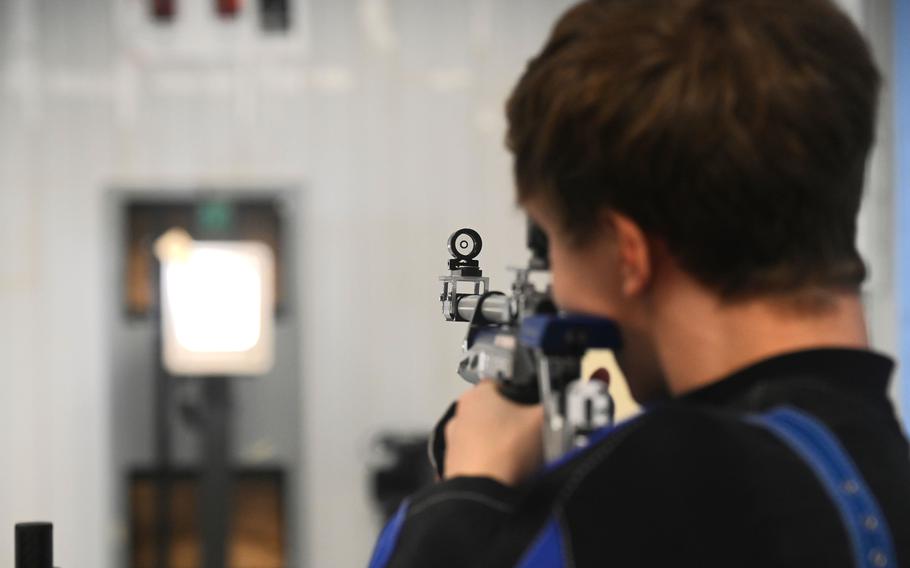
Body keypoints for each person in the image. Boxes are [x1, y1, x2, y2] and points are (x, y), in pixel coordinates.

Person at [369, 0, 910, 566]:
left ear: (629, 254)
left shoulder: (650, 489)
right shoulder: (878, 468)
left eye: (552, 240)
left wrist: (467, 489)